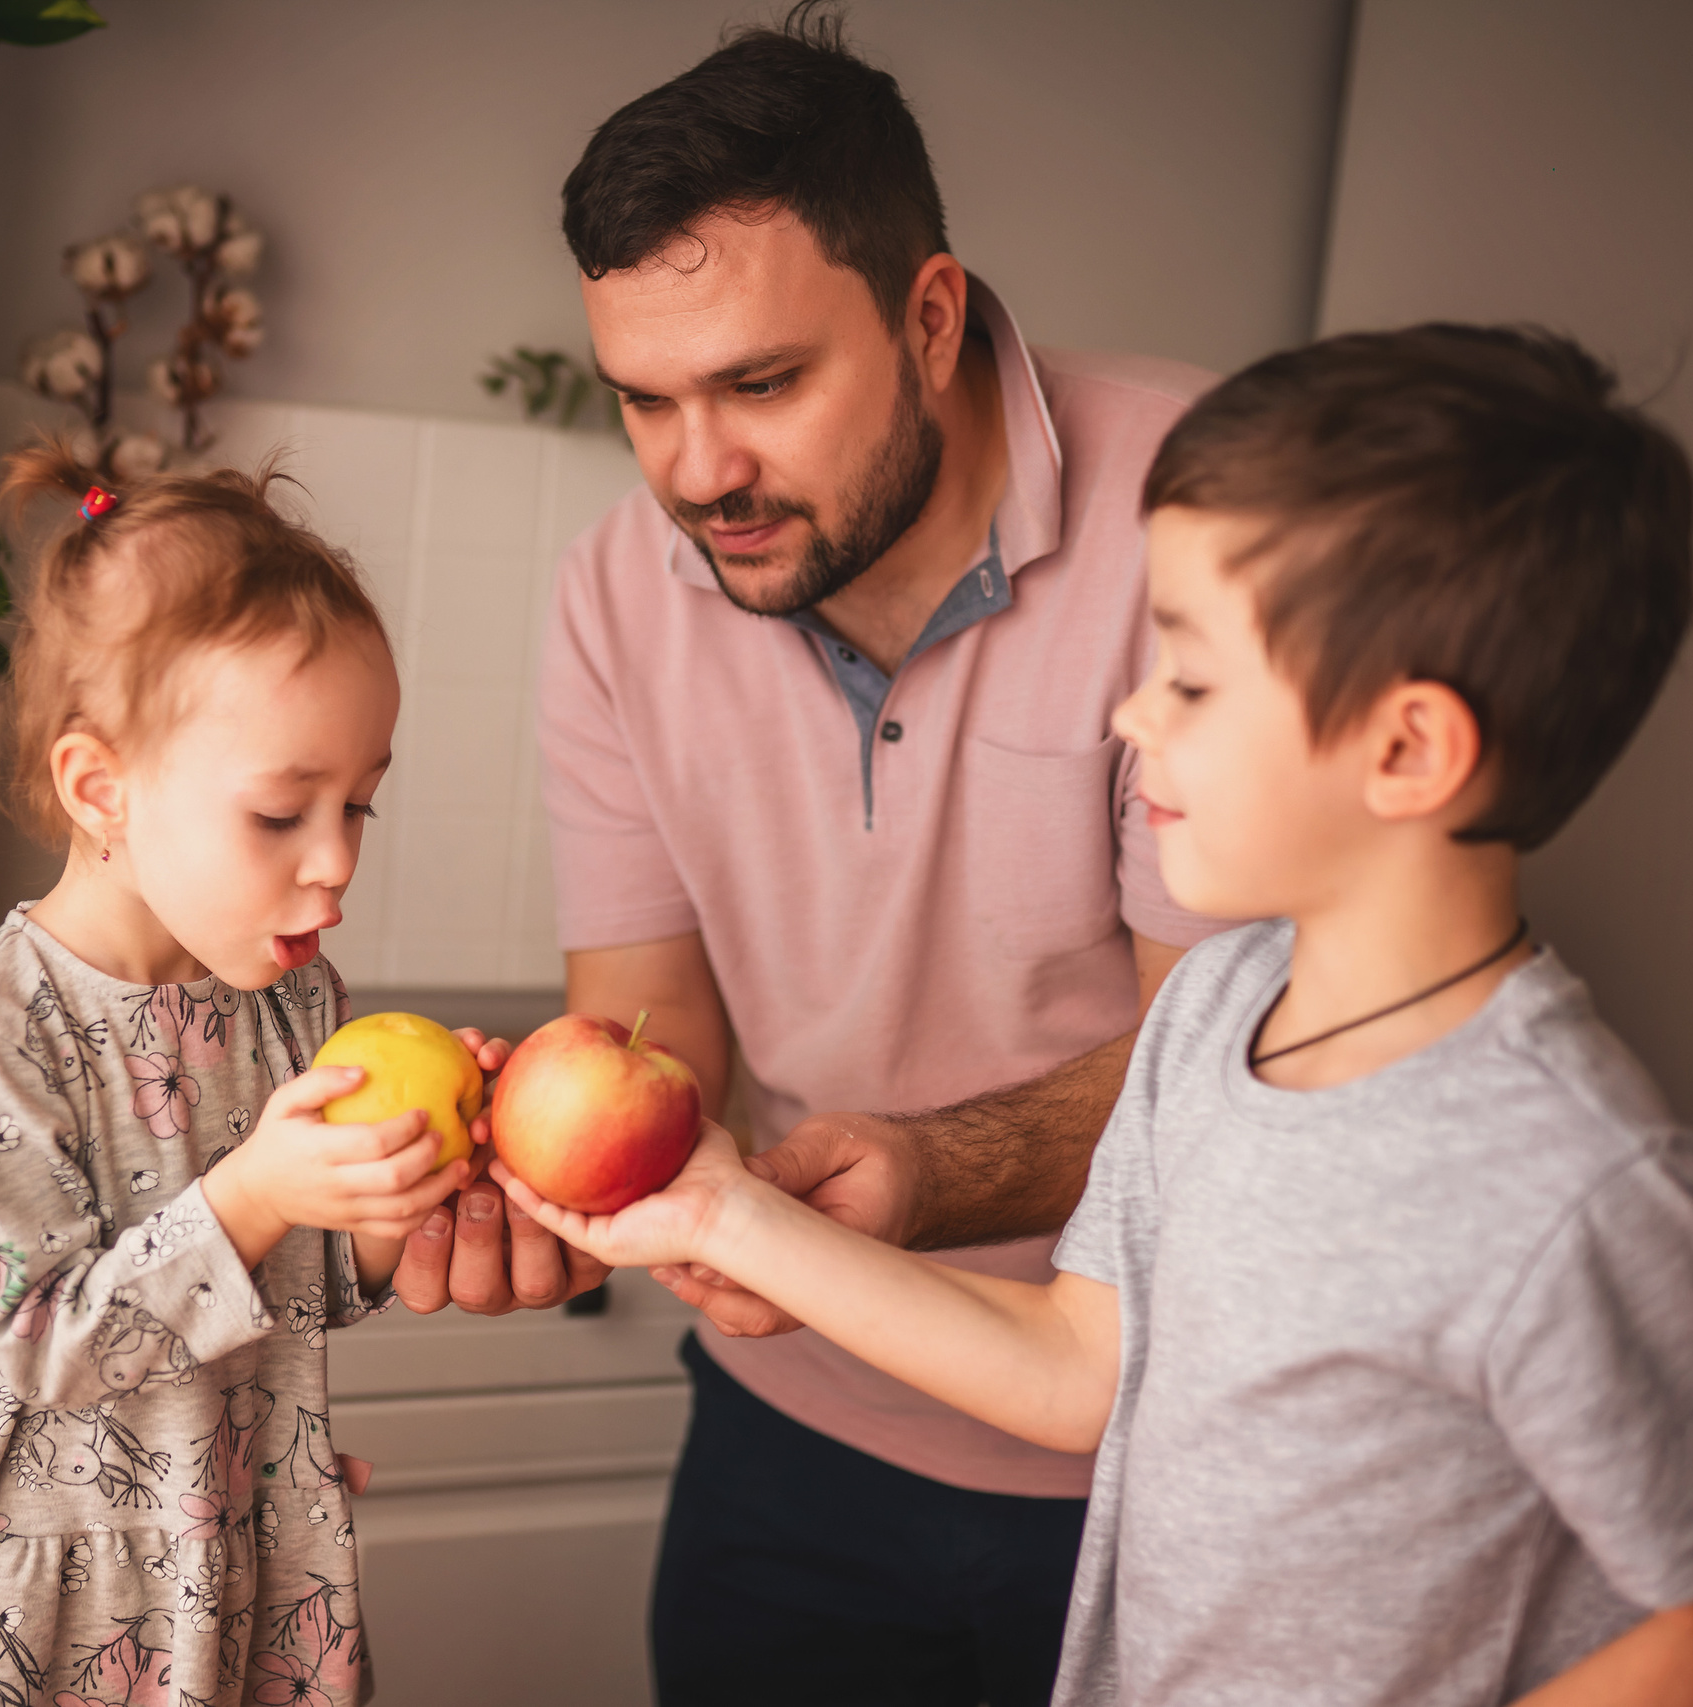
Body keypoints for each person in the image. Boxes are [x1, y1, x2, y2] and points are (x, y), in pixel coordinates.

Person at [503, 324, 1693, 1706]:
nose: (1134, 712)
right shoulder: (1215, 1014)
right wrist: (728, 1215)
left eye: (1192, 674)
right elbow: (1082, 1364)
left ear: (1407, 747)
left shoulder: (1577, 1183)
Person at [387, 10, 1228, 1702]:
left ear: (930, 316)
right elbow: (651, 1046)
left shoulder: (1206, 516)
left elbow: (1230, 1069)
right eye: (648, 401)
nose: (703, 474)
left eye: (762, 384)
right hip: (789, 1433)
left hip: (1153, 1457)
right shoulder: (622, 595)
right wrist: (554, 1189)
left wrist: (921, 1175)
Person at [0, 444, 502, 1707]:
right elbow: (45, 1341)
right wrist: (261, 1189)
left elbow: (305, 1275)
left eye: (361, 808)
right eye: (284, 815)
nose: (336, 862)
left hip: (226, 1573)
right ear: (100, 789)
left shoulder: (291, 1005)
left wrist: (411, 1184)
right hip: (24, 1621)